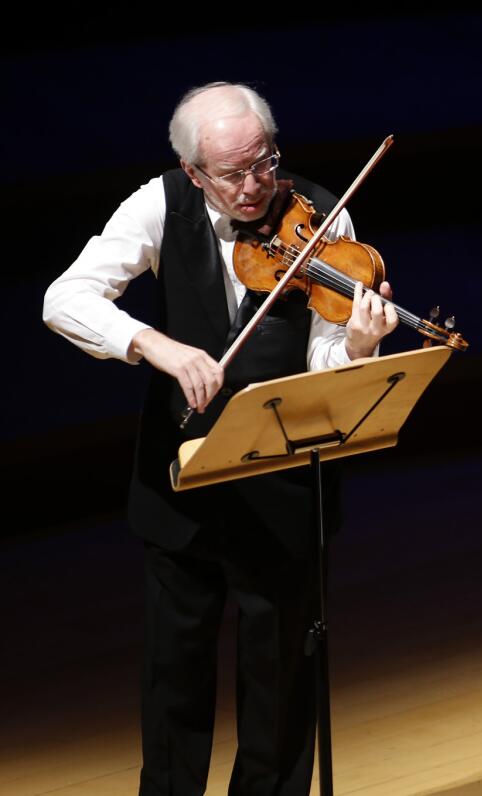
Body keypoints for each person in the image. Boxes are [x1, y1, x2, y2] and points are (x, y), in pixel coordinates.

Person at [43, 82, 399, 795]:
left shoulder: (324, 215)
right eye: (231, 175)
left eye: (264, 164)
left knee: (280, 679)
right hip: (183, 476)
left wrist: (359, 349)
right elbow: (65, 298)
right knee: (175, 675)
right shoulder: (159, 203)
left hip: (284, 483)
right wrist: (155, 346)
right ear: (192, 172)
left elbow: (324, 363)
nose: (254, 187)